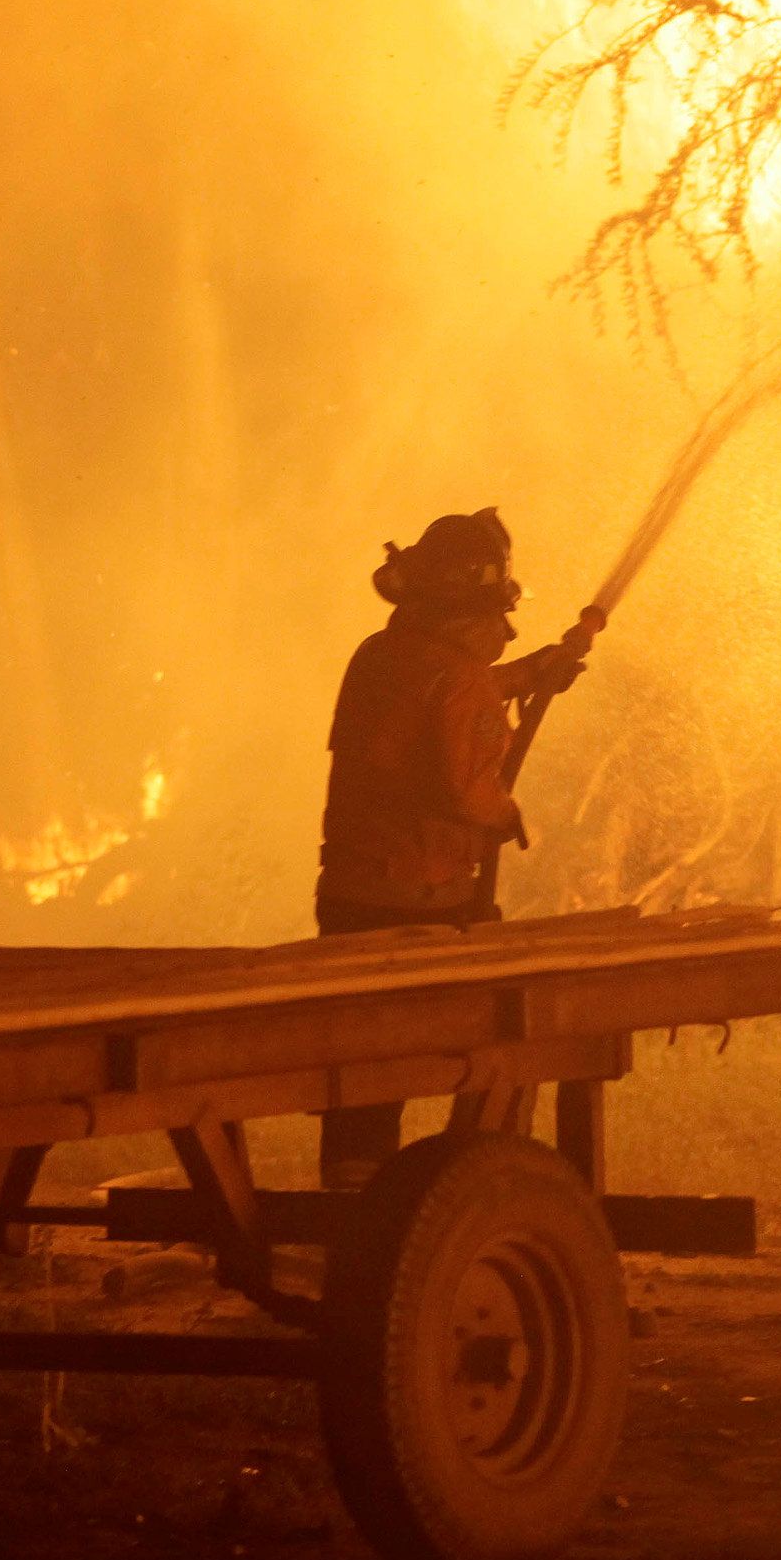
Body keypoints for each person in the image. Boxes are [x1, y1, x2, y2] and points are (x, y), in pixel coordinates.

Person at [313, 507, 588, 1187]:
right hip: (420, 902)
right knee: (499, 1039)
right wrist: (508, 812)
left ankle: (354, 1197)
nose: (502, 629)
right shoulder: (460, 679)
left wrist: (529, 674)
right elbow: (470, 791)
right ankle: (470, 1186)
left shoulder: (380, 655)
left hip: (349, 896)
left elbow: (434, 692)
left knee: (365, 1067)